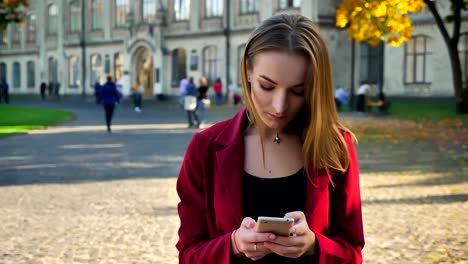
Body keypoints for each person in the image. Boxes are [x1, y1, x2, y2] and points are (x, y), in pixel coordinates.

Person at [176, 14, 364, 264]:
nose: (280, 106)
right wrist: (232, 244)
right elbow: (188, 255)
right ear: (248, 72)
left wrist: (314, 246)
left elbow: (352, 253)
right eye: (267, 86)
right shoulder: (205, 148)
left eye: (298, 91)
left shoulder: (336, 147)